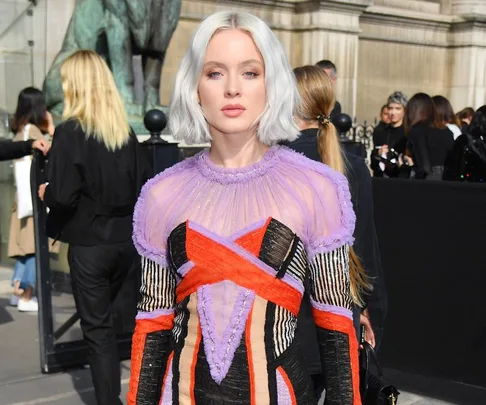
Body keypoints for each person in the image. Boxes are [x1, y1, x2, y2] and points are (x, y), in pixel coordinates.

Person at [129, 11, 360, 405]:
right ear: (194, 87)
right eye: (215, 72)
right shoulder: (161, 194)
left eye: (250, 72)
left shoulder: (318, 189)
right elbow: (152, 326)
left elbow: (337, 330)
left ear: (272, 84)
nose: (233, 89)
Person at [38, 50, 150, 405]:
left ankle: (107, 401)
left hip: (89, 245)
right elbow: (143, 183)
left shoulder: (71, 132)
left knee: (98, 332)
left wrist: (46, 192)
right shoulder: (124, 132)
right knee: (118, 327)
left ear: (77, 86)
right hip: (125, 242)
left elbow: (65, 196)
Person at [286, 65, 387, 397]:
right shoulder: (354, 166)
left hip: (283, 319)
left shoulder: (271, 163)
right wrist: (370, 309)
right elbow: (364, 248)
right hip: (339, 313)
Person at [7, 87, 55, 312]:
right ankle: (26, 294)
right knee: (36, 247)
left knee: (26, 247)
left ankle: (18, 289)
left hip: (22, 201)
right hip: (34, 200)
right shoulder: (34, 132)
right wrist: (52, 130)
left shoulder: (21, 130)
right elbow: (51, 155)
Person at [404, 93, 454, 180]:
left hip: (428, 179)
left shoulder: (417, 131)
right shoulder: (446, 130)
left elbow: (424, 165)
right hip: (447, 177)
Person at [371, 91, 408, 177]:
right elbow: (373, 162)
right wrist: (378, 154)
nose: (393, 112)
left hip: (401, 178)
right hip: (382, 178)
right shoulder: (380, 131)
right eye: (390, 108)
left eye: (398, 108)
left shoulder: (408, 132)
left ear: (404, 110)